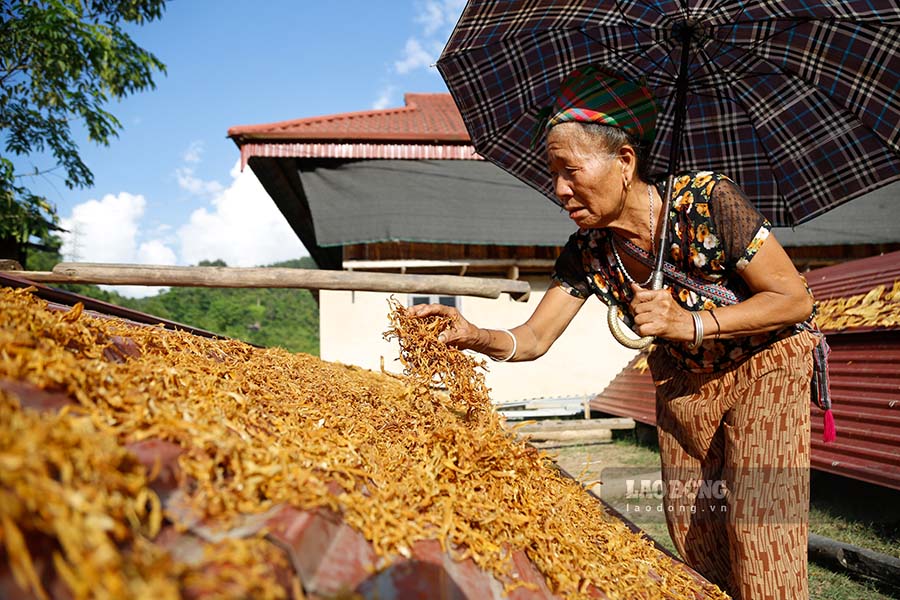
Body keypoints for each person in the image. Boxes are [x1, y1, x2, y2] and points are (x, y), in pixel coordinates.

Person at [407, 65, 828, 599]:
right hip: (685, 388)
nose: (559, 189)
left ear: (624, 161)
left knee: (760, 538)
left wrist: (688, 322)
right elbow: (534, 339)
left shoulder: (706, 201)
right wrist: (474, 334)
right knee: (699, 544)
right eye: (551, 173)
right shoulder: (589, 250)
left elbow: (793, 300)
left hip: (763, 372)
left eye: (569, 170)